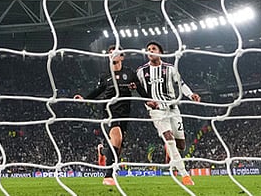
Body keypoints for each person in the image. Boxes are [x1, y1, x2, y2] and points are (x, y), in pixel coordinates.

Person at [133, 41, 201, 187]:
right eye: (148, 49)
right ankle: (185, 175)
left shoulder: (170, 68)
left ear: (160, 52)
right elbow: (136, 87)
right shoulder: (141, 71)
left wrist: (191, 95)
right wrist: (144, 99)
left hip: (173, 107)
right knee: (169, 139)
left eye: (153, 49)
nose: (150, 51)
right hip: (156, 110)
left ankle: (172, 155)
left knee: (181, 144)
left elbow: (181, 84)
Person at [73, 46, 138, 186]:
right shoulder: (105, 75)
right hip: (109, 110)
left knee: (118, 145)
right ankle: (108, 176)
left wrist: (144, 95)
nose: (112, 55)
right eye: (110, 53)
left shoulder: (130, 73)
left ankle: (102, 151)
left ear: (122, 56)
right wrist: (85, 99)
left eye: (115, 53)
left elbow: (139, 87)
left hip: (125, 113)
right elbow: (98, 90)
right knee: (117, 138)